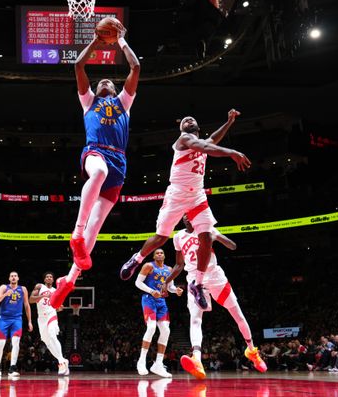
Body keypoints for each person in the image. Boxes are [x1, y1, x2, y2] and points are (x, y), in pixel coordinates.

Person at [119, 111, 250, 311]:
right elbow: (206, 146)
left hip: (197, 196)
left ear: (198, 127)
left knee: (206, 237)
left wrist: (229, 121)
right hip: (177, 194)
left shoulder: (204, 141)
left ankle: (197, 283)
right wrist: (232, 152)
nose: (188, 119)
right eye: (185, 121)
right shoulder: (185, 139)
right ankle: (136, 259)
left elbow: (213, 139)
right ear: (182, 130)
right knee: (161, 237)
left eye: (192, 119)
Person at [50, 19, 141, 308]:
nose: (104, 82)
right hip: (96, 153)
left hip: (120, 162)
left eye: (108, 82)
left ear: (114, 89)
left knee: (96, 227)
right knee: (98, 173)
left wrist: (121, 40)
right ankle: (75, 234)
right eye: (100, 81)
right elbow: (78, 66)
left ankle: (69, 280)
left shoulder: (124, 102)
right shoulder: (88, 101)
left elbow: (136, 68)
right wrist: (95, 42)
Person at [171, 215, 266, 378]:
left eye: (190, 216)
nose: (187, 219)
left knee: (238, 315)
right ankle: (197, 360)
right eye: (184, 217)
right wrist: (168, 281)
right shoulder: (178, 237)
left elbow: (233, 246)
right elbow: (179, 264)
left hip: (215, 277)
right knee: (195, 319)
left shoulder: (206, 229)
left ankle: (252, 351)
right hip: (194, 280)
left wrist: (216, 236)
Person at [135, 248, 182, 378]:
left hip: (161, 302)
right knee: (151, 327)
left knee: (166, 331)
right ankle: (141, 360)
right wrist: (151, 291)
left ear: (164, 255)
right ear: (154, 256)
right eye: (157, 253)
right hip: (149, 299)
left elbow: (170, 287)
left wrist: (176, 290)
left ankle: (158, 364)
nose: (160, 254)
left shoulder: (169, 269)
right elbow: (137, 282)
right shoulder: (148, 266)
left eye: (162, 252)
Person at [0, 271, 33, 379]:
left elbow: (27, 305)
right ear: (9, 278)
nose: (13, 277)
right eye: (12, 276)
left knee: (16, 342)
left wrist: (29, 321)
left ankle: (12, 368)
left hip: (17, 319)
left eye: (15, 276)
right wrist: (6, 294)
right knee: (1, 343)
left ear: (18, 278)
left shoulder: (23, 289)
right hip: (4, 319)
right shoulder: (3, 287)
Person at [29, 272, 69, 376]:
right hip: (41, 318)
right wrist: (42, 297)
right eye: (47, 276)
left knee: (52, 335)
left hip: (52, 315)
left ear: (53, 279)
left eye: (51, 277)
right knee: (47, 342)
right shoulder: (39, 286)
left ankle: (61, 362)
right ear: (44, 279)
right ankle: (63, 360)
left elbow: (59, 307)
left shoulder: (56, 291)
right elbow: (30, 300)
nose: (49, 278)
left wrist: (60, 307)